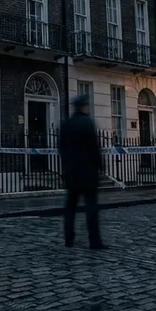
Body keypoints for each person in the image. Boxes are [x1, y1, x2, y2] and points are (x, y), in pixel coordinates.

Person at [58, 94, 106, 249]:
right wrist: (100, 166)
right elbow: (94, 147)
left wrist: (67, 165)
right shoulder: (87, 123)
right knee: (91, 207)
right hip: (88, 173)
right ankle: (94, 241)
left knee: (70, 208)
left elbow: (61, 149)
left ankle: (68, 238)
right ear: (83, 107)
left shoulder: (67, 124)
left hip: (72, 173)